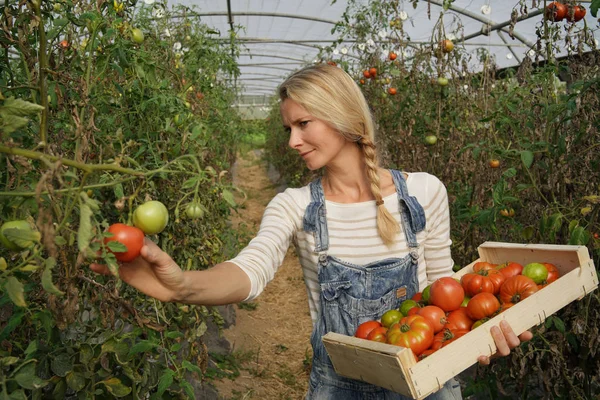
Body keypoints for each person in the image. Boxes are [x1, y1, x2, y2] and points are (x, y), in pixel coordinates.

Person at [91, 64, 532, 399]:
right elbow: (251, 270)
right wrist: (182, 286)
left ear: (342, 117)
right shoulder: (295, 205)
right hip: (339, 386)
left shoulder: (423, 192)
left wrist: (483, 328)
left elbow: (444, 289)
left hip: (428, 382)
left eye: (303, 124)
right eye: (288, 128)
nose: (291, 142)